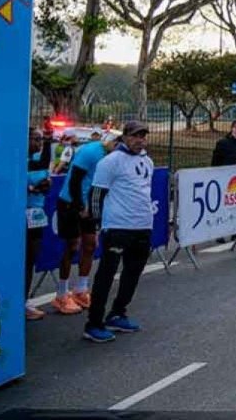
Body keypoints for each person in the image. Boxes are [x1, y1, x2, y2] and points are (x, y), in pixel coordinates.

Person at [82, 121, 156, 342]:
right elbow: (97, 195)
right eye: (135, 136)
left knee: (133, 272)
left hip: (142, 226)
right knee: (106, 274)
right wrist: (96, 225)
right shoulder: (111, 161)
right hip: (117, 226)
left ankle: (117, 313)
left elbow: (144, 192)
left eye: (143, 136)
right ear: (124, 137)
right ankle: (94, 323)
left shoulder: (147, 161)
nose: (139, 140)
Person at [52, 134, 110, 315]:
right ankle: (61, 294)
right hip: (70, 202)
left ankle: (80, 290)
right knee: (73, 246)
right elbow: (75, 179)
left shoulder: (114, 157)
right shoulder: (91, 151)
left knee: (91, 244)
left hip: (89, 204)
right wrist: (79, 206)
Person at [25, 127, 54, 321]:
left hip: (37, 215)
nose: (39, 143)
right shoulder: (20, 159)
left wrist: (45, 185)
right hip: (21, 215)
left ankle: (25, 300)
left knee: (31, 259)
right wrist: (31, 188)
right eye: (35, 139)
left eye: (40, 140)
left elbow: (44, 170)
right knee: (22, 260)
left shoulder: (38, 160)